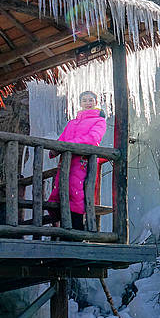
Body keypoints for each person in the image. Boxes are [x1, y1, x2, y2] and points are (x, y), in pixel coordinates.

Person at [48, 91, 107, 227]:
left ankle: (77, 230)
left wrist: (70, 145)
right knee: (62, 191)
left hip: (83, 161)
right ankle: (64, 230)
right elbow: (62, 139)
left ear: (95, 103)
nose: (88, 103)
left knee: (77, 194)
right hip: (67, 162)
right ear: (80, 103)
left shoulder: (99, 121)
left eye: (91, 100)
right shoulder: (72, 123)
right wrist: (54, 150)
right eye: (84, 100)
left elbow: (93, 138)